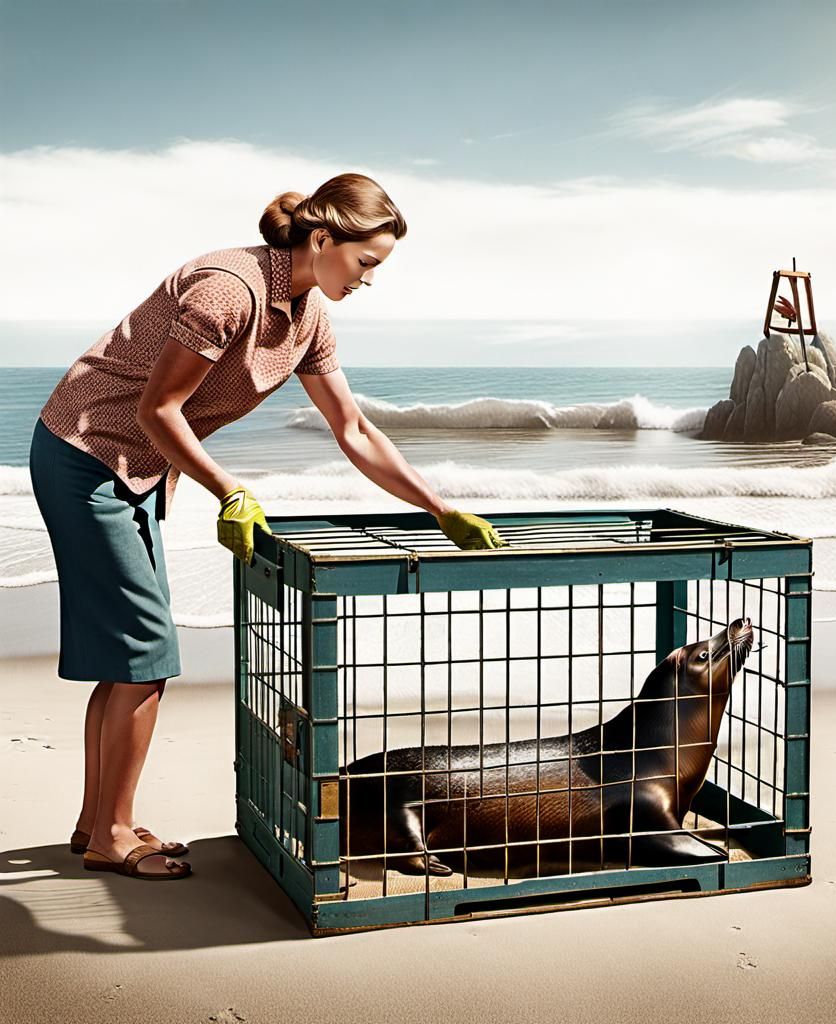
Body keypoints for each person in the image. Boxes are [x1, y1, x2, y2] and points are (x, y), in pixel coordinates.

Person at [29, 172, 508, 881]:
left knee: (131, 659)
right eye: (366, 263)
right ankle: (111, 832)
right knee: (146, 659)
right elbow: (157, 408)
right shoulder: (229, 288)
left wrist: (436, 507)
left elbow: (352, 428)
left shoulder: (308, 315)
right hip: (87, 453)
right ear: (323, 239)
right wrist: (230, 491)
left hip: (135, 467)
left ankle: (101, 820)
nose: (371, 280)